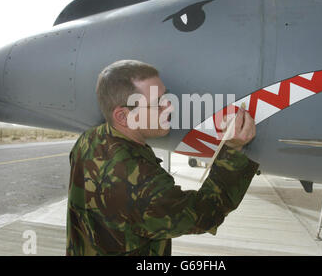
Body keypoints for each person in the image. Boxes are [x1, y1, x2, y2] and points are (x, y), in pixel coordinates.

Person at [66, 60, 259, 256]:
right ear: (123, 116)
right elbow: (207, 212)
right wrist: (232, 151)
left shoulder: (88, 139)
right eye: (157, 103)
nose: (169, 107)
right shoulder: (143, 186)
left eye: (166, 97)